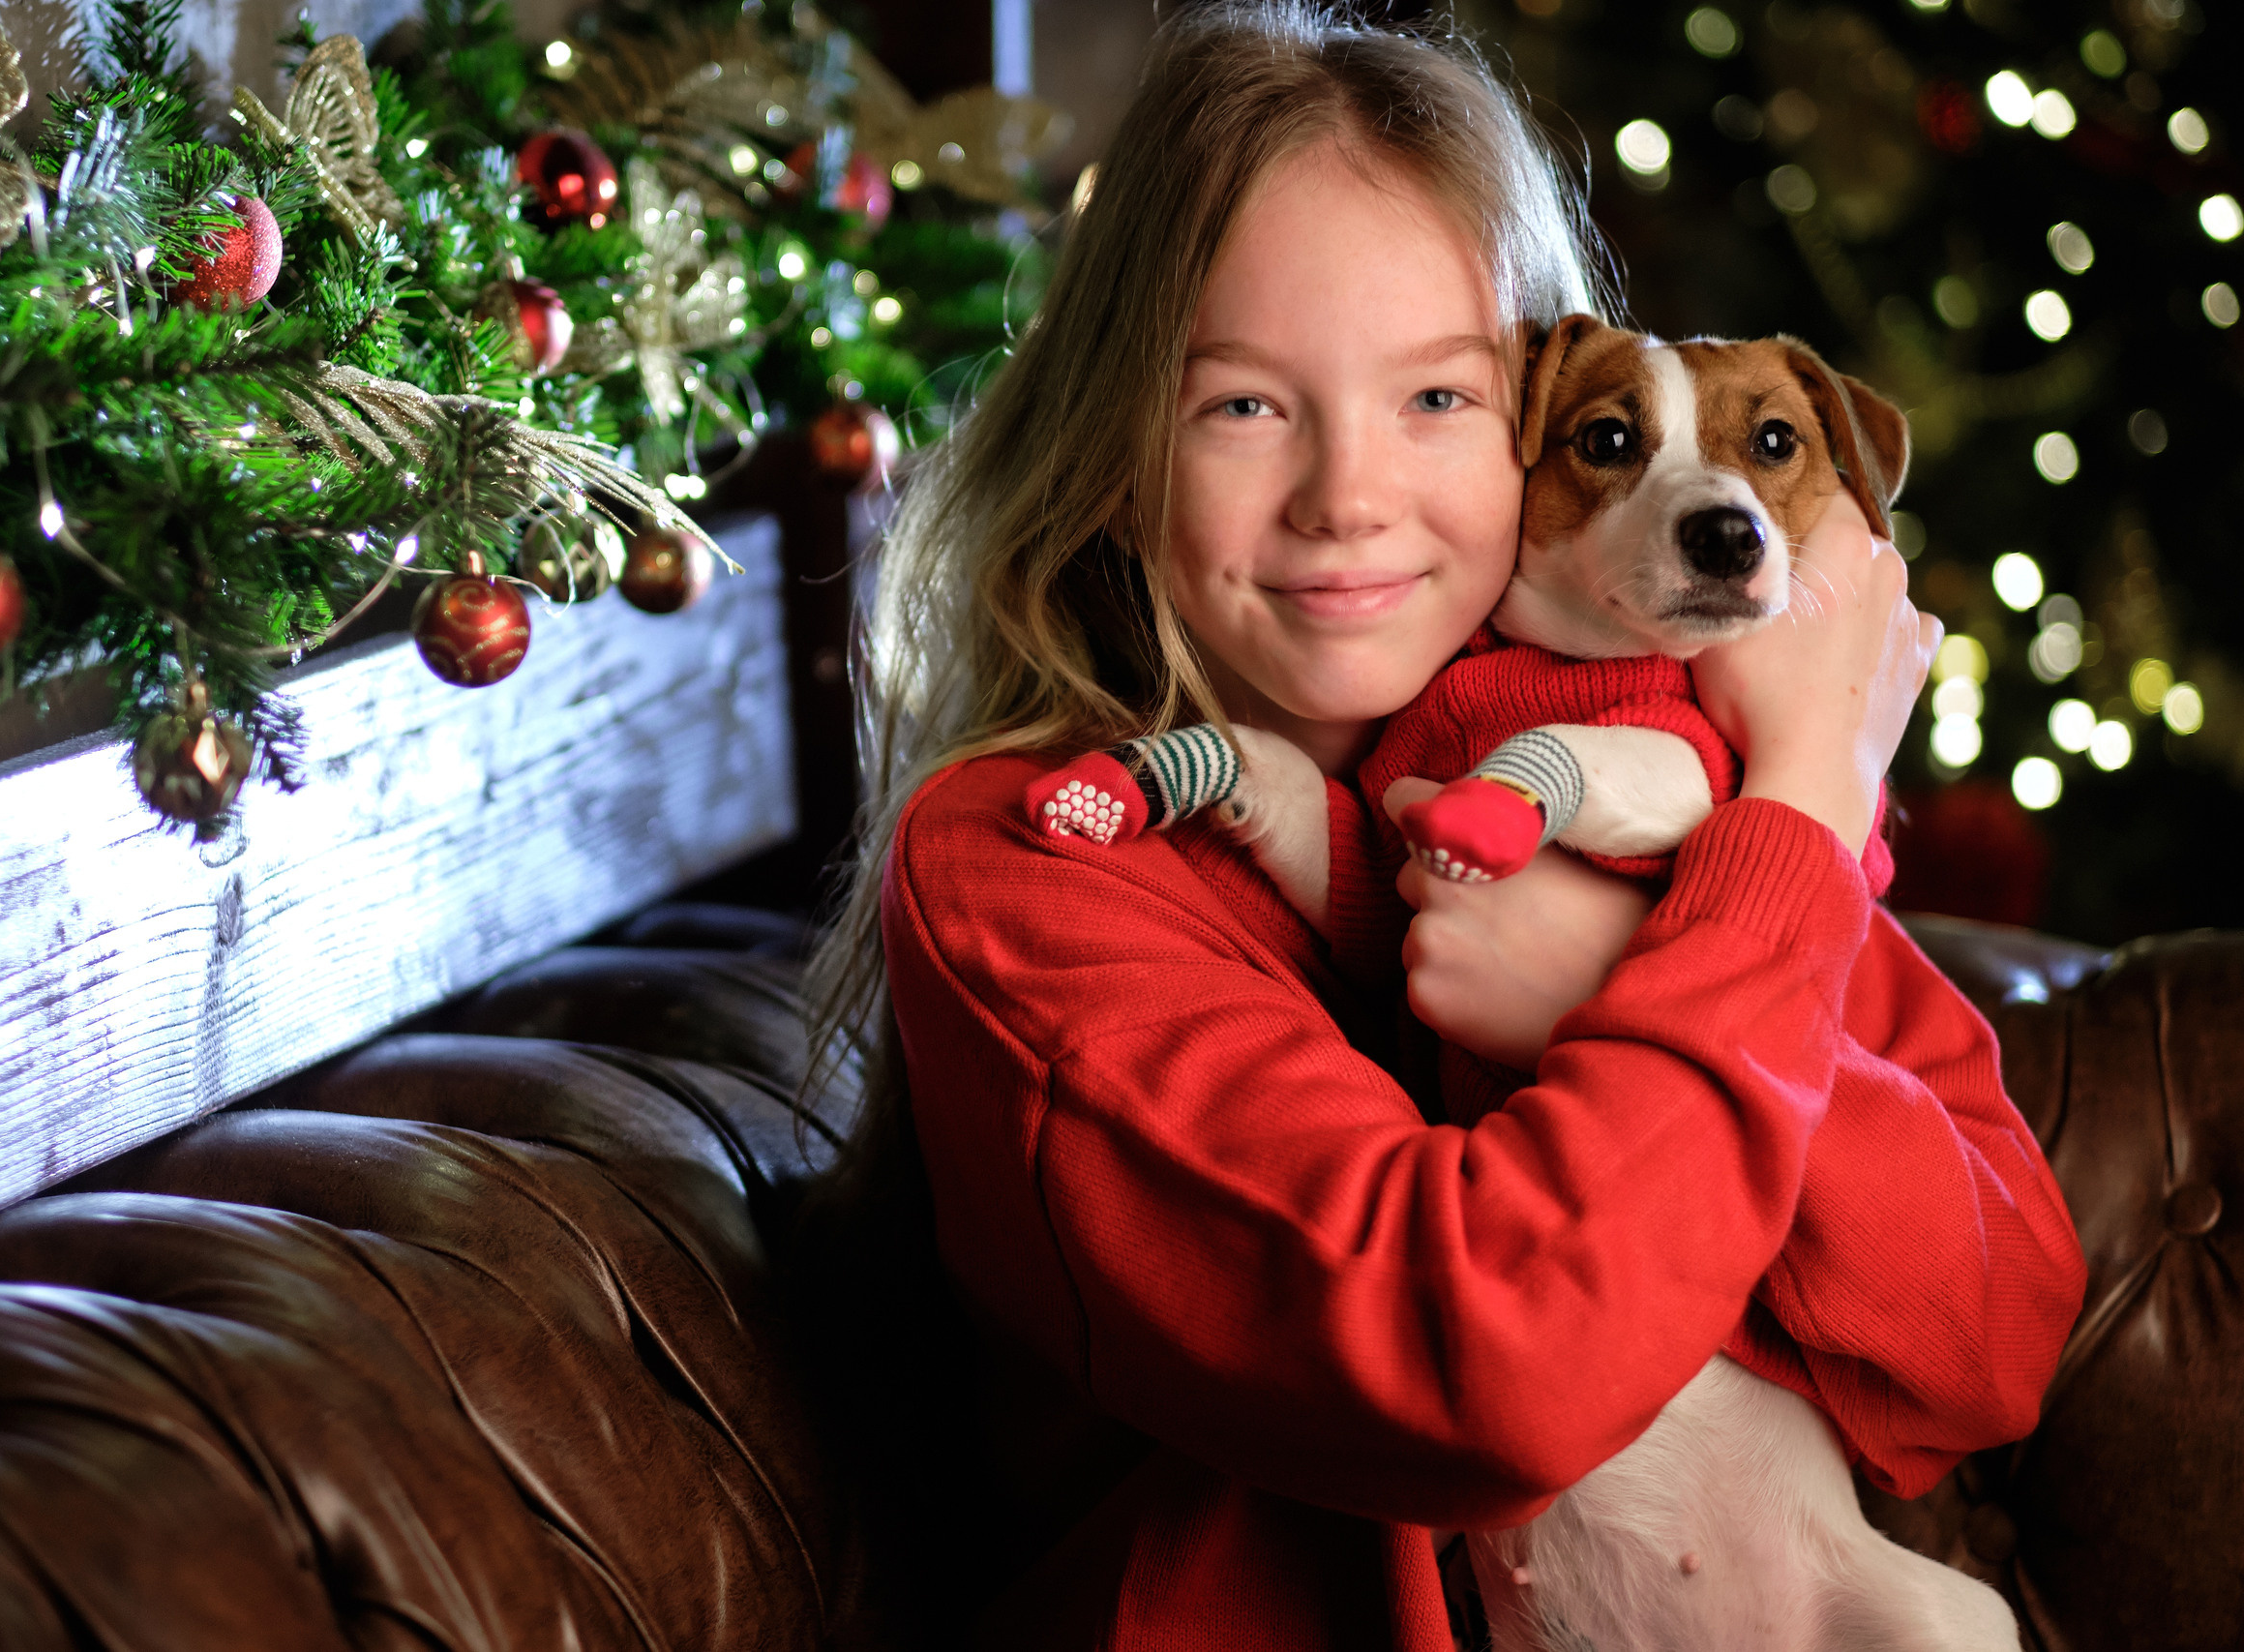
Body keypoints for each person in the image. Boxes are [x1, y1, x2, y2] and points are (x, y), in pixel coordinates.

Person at [799, 4, 2086, 1647]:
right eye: (1242, 405)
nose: (1349, 494)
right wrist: (1805, 808)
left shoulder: (1665, 802)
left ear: (1533, 423)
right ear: (1116, 453)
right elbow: (1496, 1369)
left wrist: (1639, 953)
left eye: (1436, 399)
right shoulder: (1029, 870)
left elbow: (1993, 1342)